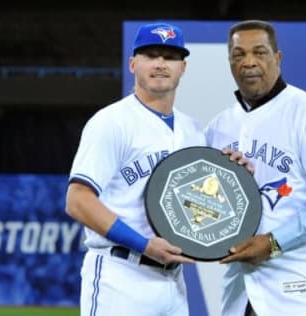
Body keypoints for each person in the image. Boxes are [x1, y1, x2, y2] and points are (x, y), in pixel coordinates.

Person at [205, 20, 306, 316]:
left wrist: (275, 242)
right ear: (229, 62)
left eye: (259, 52)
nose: (248, 62)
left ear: (277, 58)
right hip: (241, 298)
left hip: (304, 296)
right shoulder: (219, 128)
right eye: (238, 55)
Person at [65, 22, 203, 316]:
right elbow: (78, 201)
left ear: (183, 67)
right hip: (120, 275)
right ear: (132, 64)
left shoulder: (192, 130)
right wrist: (143, 245)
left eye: (170, 56)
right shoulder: (111, 122)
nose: (161, 63)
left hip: (174, 280)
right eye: (151, 55)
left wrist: (235, 170)